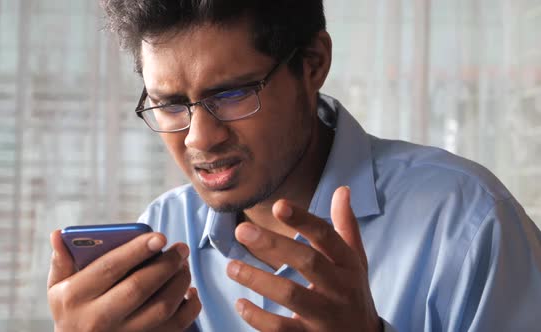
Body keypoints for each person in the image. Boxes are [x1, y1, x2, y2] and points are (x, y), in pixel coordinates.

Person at [47, 1, 541, 331]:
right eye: (170, 104)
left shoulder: (469, 222)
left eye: (232, 94)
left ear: (313, 63)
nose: (199, 137)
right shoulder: (159, 238)